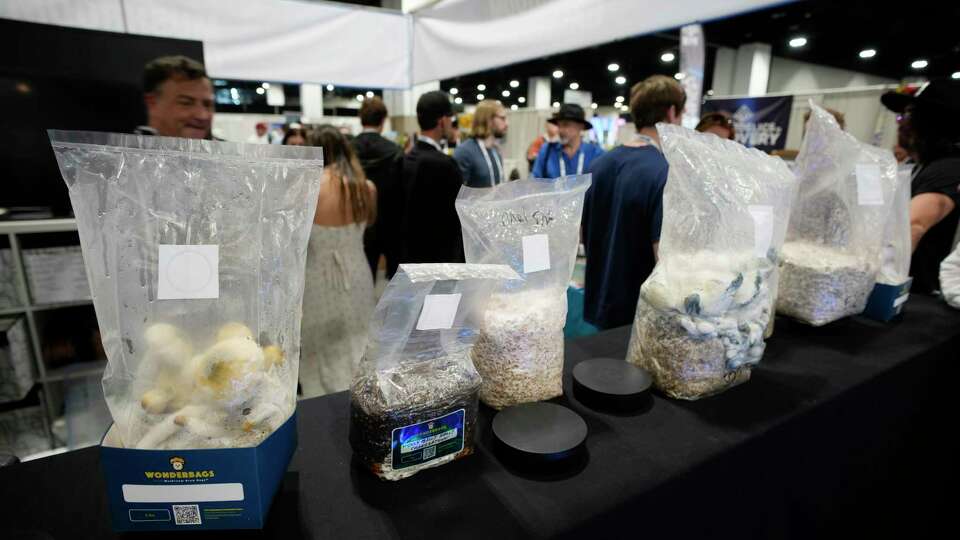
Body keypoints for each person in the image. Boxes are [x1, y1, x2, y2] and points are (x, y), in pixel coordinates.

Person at [582, 74, 685, 330]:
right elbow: (665, 260)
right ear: (672, 113)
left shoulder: (597, 165)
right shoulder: (663, 172)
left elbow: (583, 236)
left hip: (600, 309)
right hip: (638, 320)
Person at [300, 125, 377, 398]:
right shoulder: (366, 188)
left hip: (318, 276)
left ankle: (322, 409)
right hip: (358, 274)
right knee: (358, 338)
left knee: (318, 348)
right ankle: (362, 398)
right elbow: (368, 226)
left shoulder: (309, 188)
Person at [881, 79, 960, 294]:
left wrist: (874, 281)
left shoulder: (948, 168)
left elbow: (911, 226)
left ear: (929, 123)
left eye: (907, 114)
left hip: (920, 298)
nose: (900, 123)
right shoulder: (923, 166)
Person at [387, 90, 464, 277]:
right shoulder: (446, 165)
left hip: (406, 264)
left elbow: (392, 216)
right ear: (442, 121)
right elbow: (457, 221)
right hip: (439, 266)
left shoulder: (402, 160)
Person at [352, 97, 401, 279]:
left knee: (362, 279)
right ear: (383, 120)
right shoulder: (395, 150)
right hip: (389, 223)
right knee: (394, 283)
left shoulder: (349, 150)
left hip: (357, 223)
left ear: (360, 119)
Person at [135, 55, 213, 139]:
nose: (202, 116)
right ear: (151, 103)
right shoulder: (124, 148)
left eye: (207, 105)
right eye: (186, 103)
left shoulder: (225, 150)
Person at [531, 103, 604, 178]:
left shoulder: (596, 154)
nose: (560, 130)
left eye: (566, 125)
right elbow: (535, 181)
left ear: (581, 126)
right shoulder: (547, 150)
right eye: (559, 125)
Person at [454, 99, 508, 187]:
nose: (506, 124)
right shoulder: (464, 152)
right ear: (488, 119)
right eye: (502, 118)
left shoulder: (495, 151)